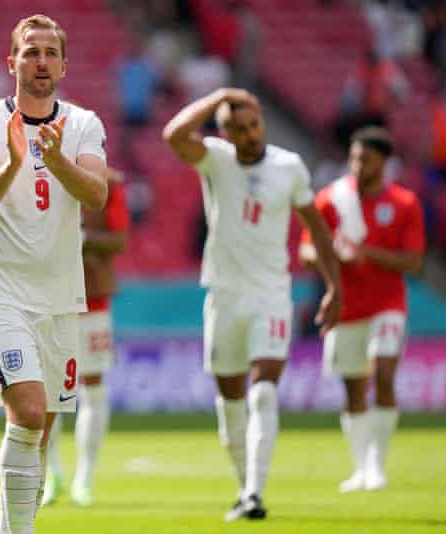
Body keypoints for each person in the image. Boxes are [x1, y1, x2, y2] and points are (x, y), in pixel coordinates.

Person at [0, 14, 108, 533]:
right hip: (2, 291)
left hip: (62, 296)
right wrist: (12, 164)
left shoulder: (85, 124)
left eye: (50, 53)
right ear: (11, 62)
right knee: (26, 411)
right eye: (30, 52)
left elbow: (98, 195)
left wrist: (57, 160)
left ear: (64, 65)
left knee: (39, 429)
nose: (41, 61)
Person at [162, 88, 342, 521]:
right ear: (225, 132)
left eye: (254, 124)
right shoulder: (216, 160)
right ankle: (245, 488)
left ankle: (256, 493)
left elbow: (316, 229)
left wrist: (335, 287)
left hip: (271, 296)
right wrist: (220, 95)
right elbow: (173, 135)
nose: (249, 134)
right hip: (223, 295)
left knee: (263, 393)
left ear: (262, 122)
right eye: (238, 128)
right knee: (230, 403)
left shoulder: (289, 166)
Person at [299, 127, 424, 493]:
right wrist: (332, 255)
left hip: (388, 305)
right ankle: (360, 468)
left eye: (365, 159)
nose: (357, 165)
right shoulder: (331, 200)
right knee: (353, 389)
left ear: (384, 163)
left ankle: (377, 464)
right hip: (345, 307)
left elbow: (413, 261)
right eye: (353, 157)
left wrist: (364, 252)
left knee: (384, 373)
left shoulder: (404, 203)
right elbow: (307, 252)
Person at [42, 166, 130, 507]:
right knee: (50, 391)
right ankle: (53, 474)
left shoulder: (109, 182)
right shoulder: (38, 175)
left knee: (92, 386)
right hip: (48, 298)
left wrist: (81, 239)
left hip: (92, 297)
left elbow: (119, 239)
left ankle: (85, 476)